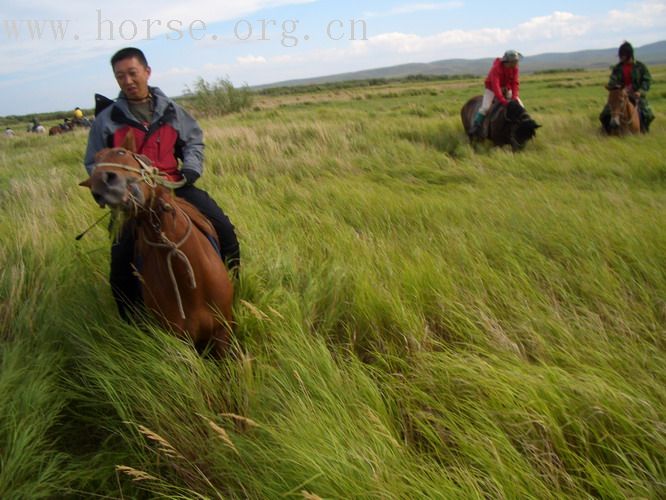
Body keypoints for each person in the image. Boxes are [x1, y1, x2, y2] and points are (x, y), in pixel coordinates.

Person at [84, 47, 240, 321]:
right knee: (121, 260)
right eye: (120, 76)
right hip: (132, 200)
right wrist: (114, 191)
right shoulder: (106, 121)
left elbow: (193, 140)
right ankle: (133, 321)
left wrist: (191, 168)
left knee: (223, 227)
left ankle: (231, 283)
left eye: (133, 73)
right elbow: (93, 164)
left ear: (147, 72)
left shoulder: (172, 111)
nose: (128, 81)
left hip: (174, 185)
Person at [600, 41, 654, 133]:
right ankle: (607, 132)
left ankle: (644, 131)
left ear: (629, 55)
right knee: (604, 114)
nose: (621, 58)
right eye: (620, 55)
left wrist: (640, 91)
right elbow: (612, 81)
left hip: (636, 95)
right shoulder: (617, 68)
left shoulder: (640, 67)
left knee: (648, 114)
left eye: (623, 55)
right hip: (620, 95)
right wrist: (615, 87)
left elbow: (647, 80)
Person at [469, 50, 524, 137]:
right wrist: (503, 101)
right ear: (508, 62)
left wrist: (514, 97)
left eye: (516, 61)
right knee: (485, 108)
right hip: (492, 89)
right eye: (514, 62)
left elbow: (515, 83)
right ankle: (476, 125)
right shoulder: (496, 68)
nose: (516, 64)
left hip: (507, 88)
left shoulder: (515, 68)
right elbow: (496, 86)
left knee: (520, 106)